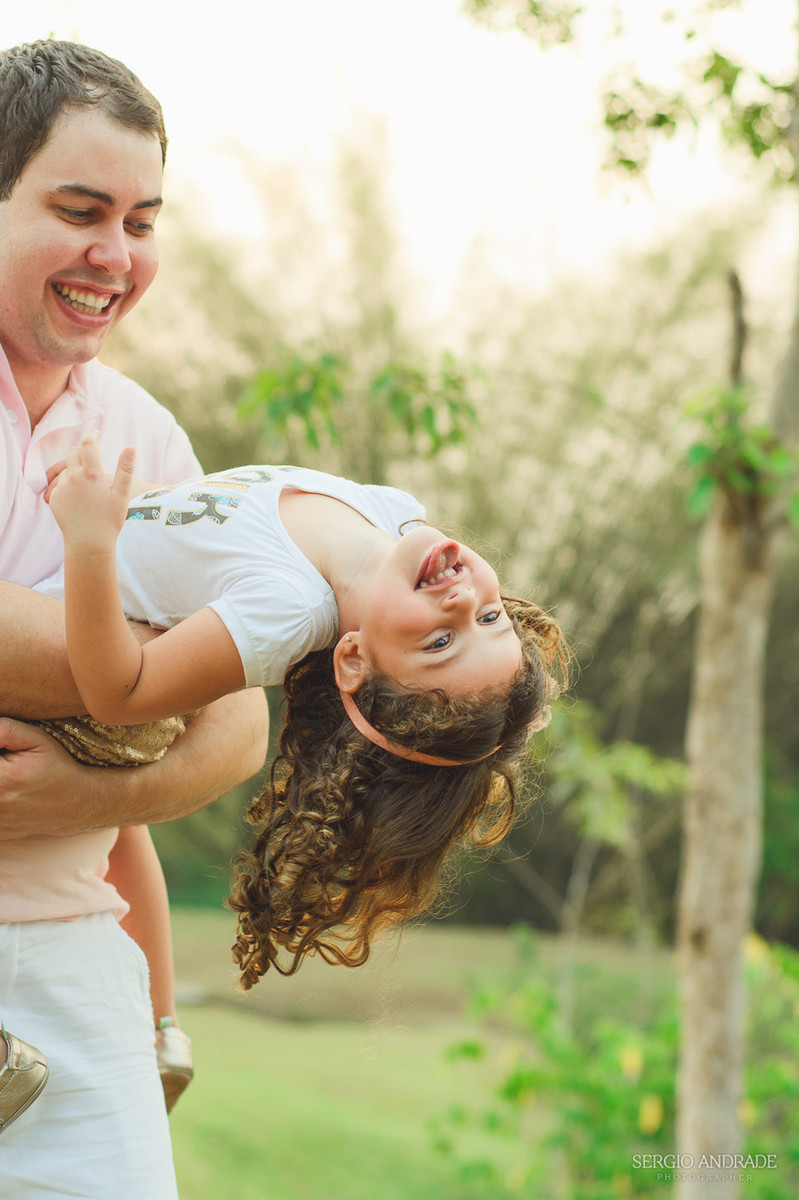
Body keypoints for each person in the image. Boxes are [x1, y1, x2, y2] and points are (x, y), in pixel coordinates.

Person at [0, 39, 268, 1198]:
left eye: (142, 222)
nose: (114, 256)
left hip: (77, 968)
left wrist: (96, 794)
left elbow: (243, 720)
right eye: (79, 211)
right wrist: (163, 664)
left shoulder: (145, 436)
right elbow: (215, 666)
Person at [44, 441, 567, 991]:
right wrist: (117, 495)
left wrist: (90, 538)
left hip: (42, 596)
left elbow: (120, 694)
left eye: (440, 643)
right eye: (489, 618)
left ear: (354, 661)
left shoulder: (286, 610)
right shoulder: (388, 511)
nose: (463, 603)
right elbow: (195, 521)